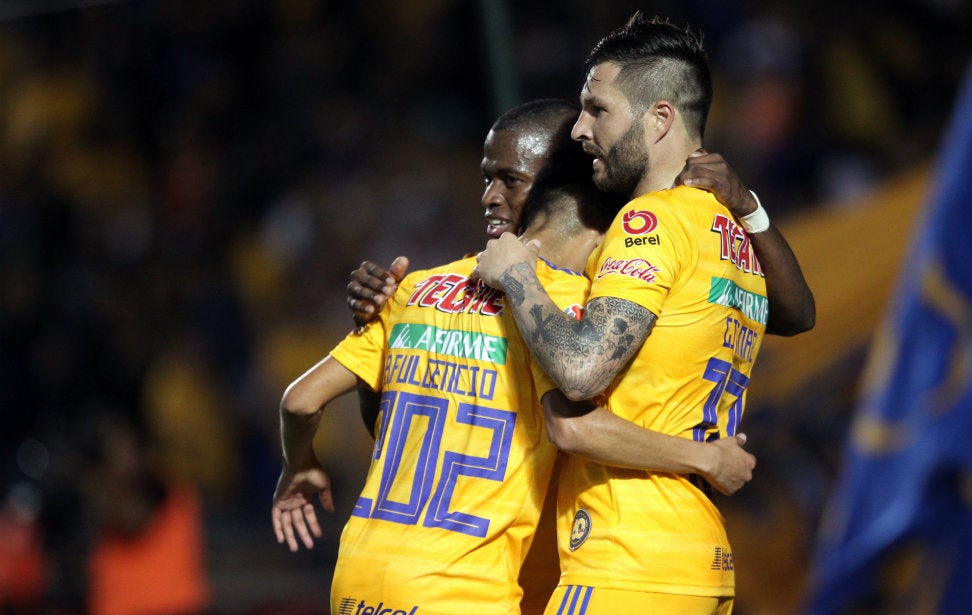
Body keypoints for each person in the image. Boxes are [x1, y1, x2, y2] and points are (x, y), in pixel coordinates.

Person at [270, 99, 757, 615]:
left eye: (509, 179)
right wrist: (708, 457)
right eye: (488, 177)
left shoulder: (417, 287)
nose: (488, 196)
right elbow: (576, 428)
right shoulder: (561, 314)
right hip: (469, 592)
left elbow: (304, 403)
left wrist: (299, 465)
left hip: (359, 579)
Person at [473, 14, 811, 615]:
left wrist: (517, 275)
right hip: (698, 557)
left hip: (625, 560)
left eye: (596, 109)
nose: (579, 130)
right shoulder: (730, 230)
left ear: (660, 118)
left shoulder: (646, 223)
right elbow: (795, 313)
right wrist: (752, 208)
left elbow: (580, 374)